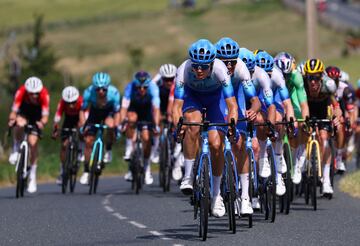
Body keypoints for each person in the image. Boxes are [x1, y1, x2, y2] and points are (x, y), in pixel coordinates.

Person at [172, 39, 238, 218]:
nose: (199, 70)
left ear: (211, 64)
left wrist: (231, 124)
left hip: (215, 100)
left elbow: (232, 105)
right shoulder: (183, 69)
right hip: (192, 98)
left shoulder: (220, 70)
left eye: (203, 67)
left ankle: (216, 195)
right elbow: (177, 106)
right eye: (196, 66)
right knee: (192, 124)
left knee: (216, 145)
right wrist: (178, 125)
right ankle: (188, 176)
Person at [215, 37, 260, 215]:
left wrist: (254, 110)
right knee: (212, 140)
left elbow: (254, 100)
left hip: (237, 100)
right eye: (225, 62)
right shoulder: (214, 69)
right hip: (217, 100)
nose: (229, 66)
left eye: (232, 61)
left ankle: (246, 197)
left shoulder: (241, 68)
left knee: (240, 144)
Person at [255, 51, 296, 197]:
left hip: (273, 100)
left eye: (269, 73)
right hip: (258, 102)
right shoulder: (252, 76)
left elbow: (287, 104)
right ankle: (261, 157)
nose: (266, 76)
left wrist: (291, 120)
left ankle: (278, 156)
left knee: (279, 119)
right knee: (259, 122)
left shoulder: (277, 76)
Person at [303, 59, 343, 195]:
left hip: (322, 110)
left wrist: (337, 117)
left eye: (316, 77)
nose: (313, 81)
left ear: (322, 77)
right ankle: (304, 160)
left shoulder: (329, 85)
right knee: (304, 134)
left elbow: (336, 106)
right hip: (307, 109)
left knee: (324, 139)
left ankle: (326, 180)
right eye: (309, 78)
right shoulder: (302, 85)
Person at [8, 76, 50, 193]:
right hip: (24, 111)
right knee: (19, 124)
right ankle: (16, 148)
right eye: (32, 94)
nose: (34, 96)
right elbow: (14, 110)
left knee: (33, 142)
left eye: (37, 93)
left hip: (37, 115)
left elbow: (46, 115)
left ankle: (32, 176)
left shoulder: (44, 95)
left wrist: (42, 123)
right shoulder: (21, 92)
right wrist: (13, 119)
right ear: (27, 91)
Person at [79, 72, 121, 185]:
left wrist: (116, 127)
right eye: (98, 89)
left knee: (111, 126)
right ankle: (86, 170)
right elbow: (82, 111)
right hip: (94, 113)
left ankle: (108, 148)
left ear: (107, 88)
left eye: (103, 89)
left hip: (108, 113)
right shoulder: (88, 92)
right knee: (88, 141)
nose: (101, 92)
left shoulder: (114, 93)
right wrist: (84, 126)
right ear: (94, 88)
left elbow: (117, 113)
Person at [274, 52, 309, 184]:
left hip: (292, 97)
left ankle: (295, 164)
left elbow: (303, 104)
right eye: (283, 75)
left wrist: (305, 121)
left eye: (287, 74)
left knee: (297, 124)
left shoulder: (296, 76)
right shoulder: (272, 75)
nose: (285, 77)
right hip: (277, 97)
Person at [121, 71, 161, 185]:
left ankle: (147, 169)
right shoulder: (130, 87)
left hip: (147, 113)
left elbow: (156, 109)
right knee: (130, 120)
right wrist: (122, 122)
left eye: (144, 87)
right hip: (134, 109)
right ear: (135, 85)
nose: (142, 89)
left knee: (146, 138)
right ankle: (129, 149)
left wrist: (156, 125)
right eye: (139, 87)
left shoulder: (153, 88)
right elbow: (124, 107)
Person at [152, 64, 183, 181]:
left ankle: (177, 149)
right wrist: (158, 115)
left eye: (171, 79)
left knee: (177, 123)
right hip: (161, 103)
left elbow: (177, 104)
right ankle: (156, 147)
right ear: (161, 78)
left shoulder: (178, 83)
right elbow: (153, 103)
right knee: (157, 121)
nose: (169, 82)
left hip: (175, 103)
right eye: (166, 79)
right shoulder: (155, 83)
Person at [52, 86, 83, 185]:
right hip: (68, 120)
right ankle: (62, 170)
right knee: (64, 145)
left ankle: (80, 151)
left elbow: (85, 117)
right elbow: (57, 116)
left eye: (73, 102)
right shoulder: (62, 103)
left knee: (81, 129)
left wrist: (83, 127)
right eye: (68, 103)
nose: (70, 105)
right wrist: (55, 128)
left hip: (79, 118)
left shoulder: (81, 101)